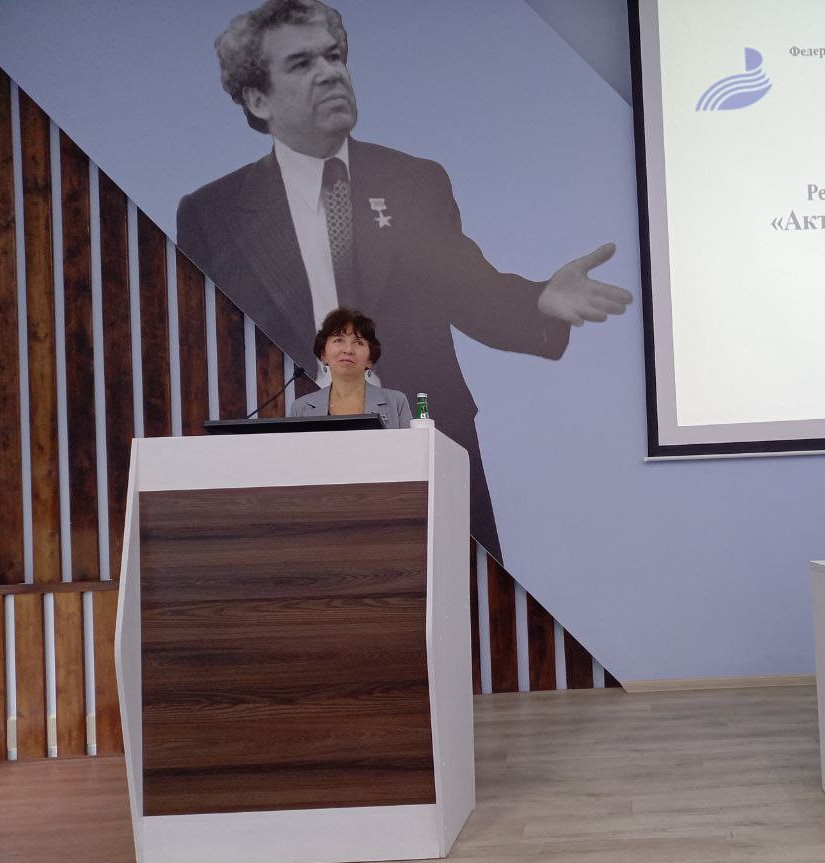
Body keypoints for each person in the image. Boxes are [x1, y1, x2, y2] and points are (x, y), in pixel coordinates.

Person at [176, 0, 632, 560]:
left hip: (423, 433)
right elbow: (206, 350)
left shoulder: (414, 181)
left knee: (461, 596)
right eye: (302, 63)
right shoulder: (214, 212)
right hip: (295, 454)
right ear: (257, 98)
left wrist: (539, 300)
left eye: (335, 56)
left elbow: (468, 288)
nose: (330, 73)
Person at [289, 308, 411, 427]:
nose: (348, 350)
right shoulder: (301, 409)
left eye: (358, 342)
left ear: (370, 359)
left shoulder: (396, 403)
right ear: (323, 354)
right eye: (339, 340)